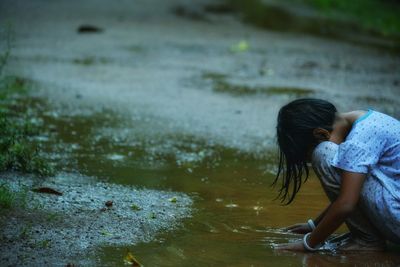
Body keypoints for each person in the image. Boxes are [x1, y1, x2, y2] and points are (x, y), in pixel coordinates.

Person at [272, 98, 400, 252]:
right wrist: (314, 225)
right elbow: (351, 190)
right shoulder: (367, 119)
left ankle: (366, 241)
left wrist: (309, 243)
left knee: (323, 152)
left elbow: (346, 203)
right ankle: (366, 237)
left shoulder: (357, 142)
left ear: (321, 134)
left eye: (308, 158)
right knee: (350, 173)